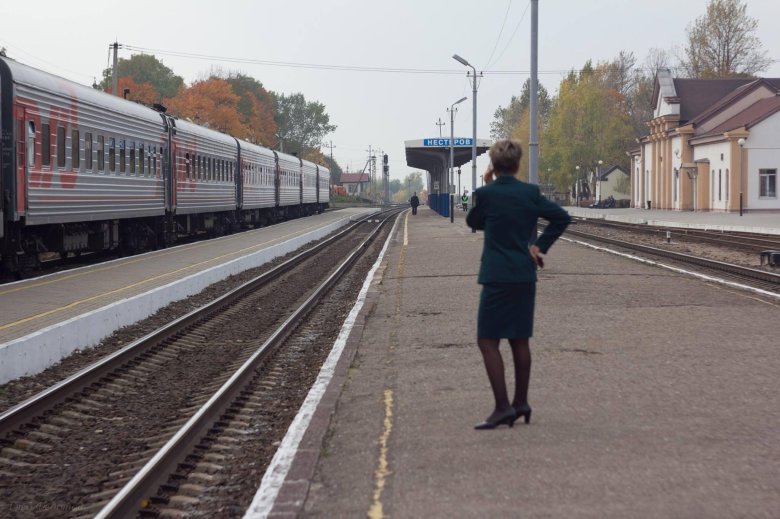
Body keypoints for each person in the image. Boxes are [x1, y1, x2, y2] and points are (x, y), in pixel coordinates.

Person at [466, 139, 571, 430]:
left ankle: (502, 407)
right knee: (519, 340)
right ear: (517, 163)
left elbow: (474, 221)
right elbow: (562, 218)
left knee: (488, 340)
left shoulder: (487, 194)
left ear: (494, 165)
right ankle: (521, 402)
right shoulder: (530, 193)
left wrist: (486, 186)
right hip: (524, 274)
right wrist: (539, 246)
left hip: (496, 276)